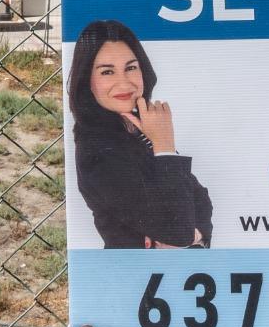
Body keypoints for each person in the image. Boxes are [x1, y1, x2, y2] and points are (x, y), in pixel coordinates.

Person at [68, 19, 213, 248]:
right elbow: (178, 229)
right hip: (131, 277)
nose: (124, 82)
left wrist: (195, 235)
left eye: (131, 68)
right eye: (107, 72)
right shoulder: (96, 148)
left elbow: (202, 201)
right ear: (88, 81)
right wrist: (164, 145)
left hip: (171, 274)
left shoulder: (135, 129)